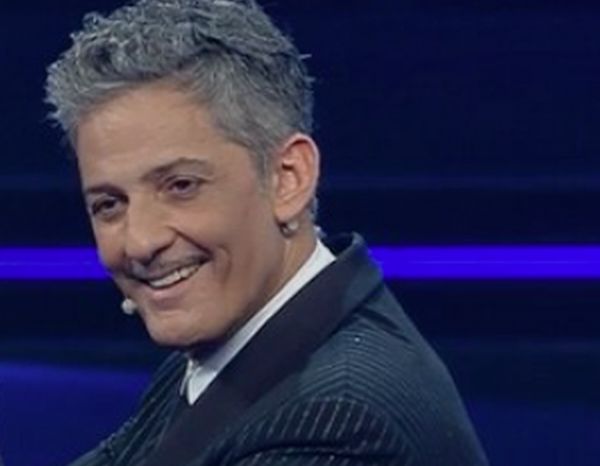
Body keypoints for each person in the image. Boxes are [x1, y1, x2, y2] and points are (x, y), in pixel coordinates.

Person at [45, 0, 488, 464]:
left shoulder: (335, 425)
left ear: (287, 178)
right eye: (109, 205)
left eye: (181, 186)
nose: (139, 241)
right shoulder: (235, 346)